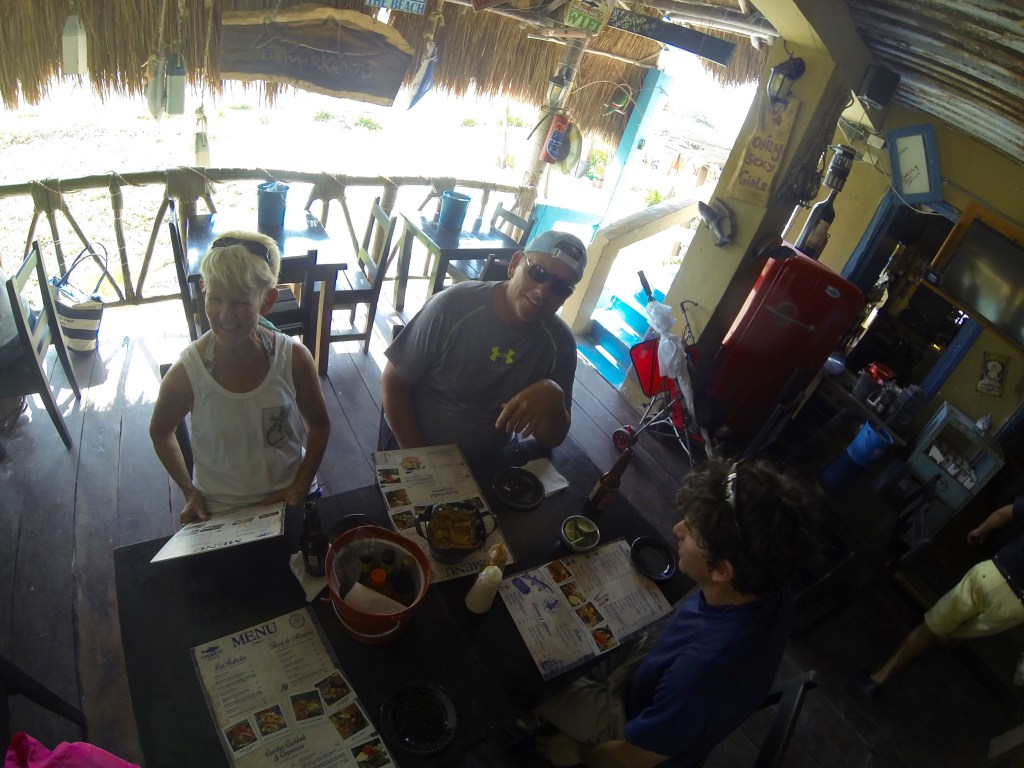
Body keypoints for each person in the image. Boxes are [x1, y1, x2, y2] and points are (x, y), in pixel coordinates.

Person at [532, 457, 821, 768]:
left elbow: (635, 758)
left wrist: (579, 752)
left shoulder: (704, 673)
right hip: (649, 675)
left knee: (529, 683)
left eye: (691, 531)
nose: (677, 529)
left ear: (722, 570)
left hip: (631, 727)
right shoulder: (770, 583)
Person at [150, 232, 330, 524]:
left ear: (267, 300)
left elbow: (320, 426)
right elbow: (160, 431)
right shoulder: (188, 372)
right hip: (220, 510)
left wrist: (300, 484)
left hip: (289, 500)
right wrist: (189, 492)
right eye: (215, 299)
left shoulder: (293, 359)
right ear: (203, 289)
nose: (225, 315)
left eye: (240, 303)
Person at [380, 229, 587, 461]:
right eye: (538, 272)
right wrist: (421, 459)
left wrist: (555, 397)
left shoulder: (560, 344)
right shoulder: (454, 305)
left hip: (493, 460)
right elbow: (393, 380)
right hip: (418, 445)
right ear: (515, 263)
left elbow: (551, 440)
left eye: (560, 287)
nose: (543, 291)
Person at [858, 496, 1024, 697]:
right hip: (1016, 607)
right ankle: (928, 645)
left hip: (993, 575)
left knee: (932, 626)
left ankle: (878, 679)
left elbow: (1004, 513)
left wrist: (980, 530)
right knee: (955, 635)